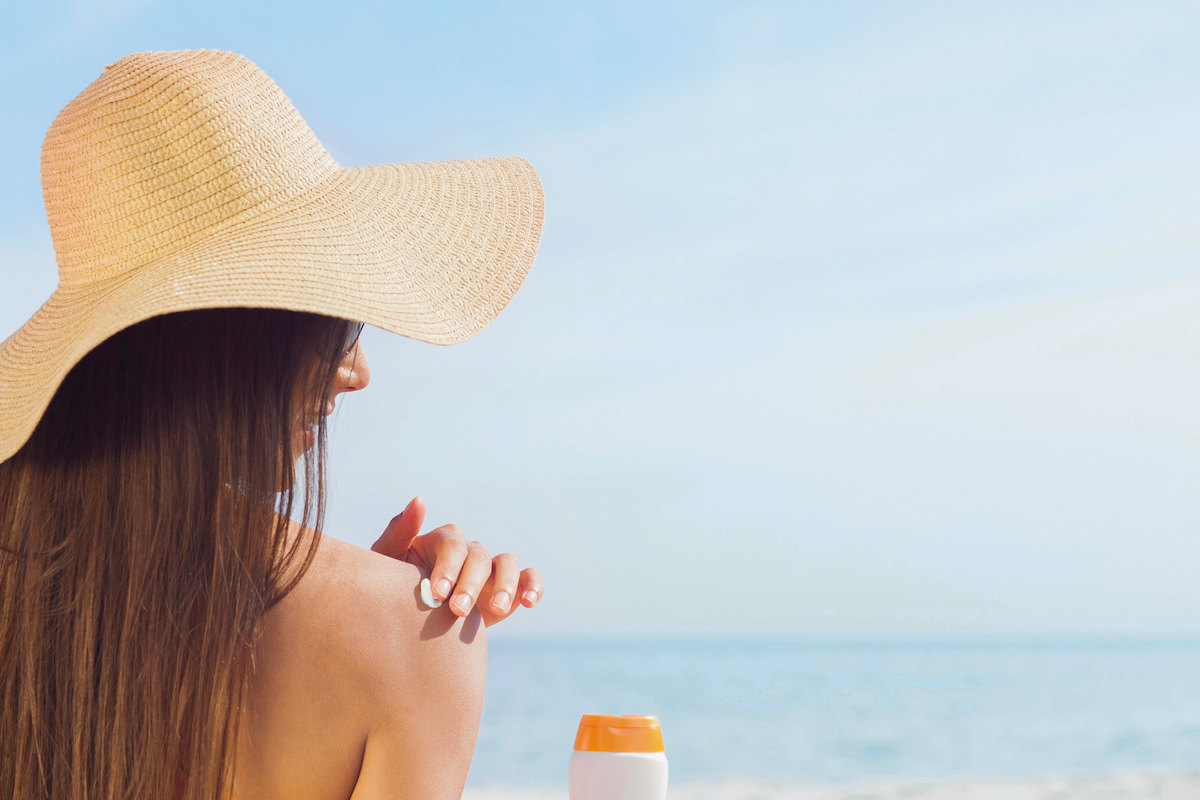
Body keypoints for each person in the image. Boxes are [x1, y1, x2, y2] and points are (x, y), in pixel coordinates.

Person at [0, 50, 545, 800]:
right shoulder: (413, 641)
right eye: (331, 321)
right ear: (238, 338)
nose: (356, 372)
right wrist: (391, 625)